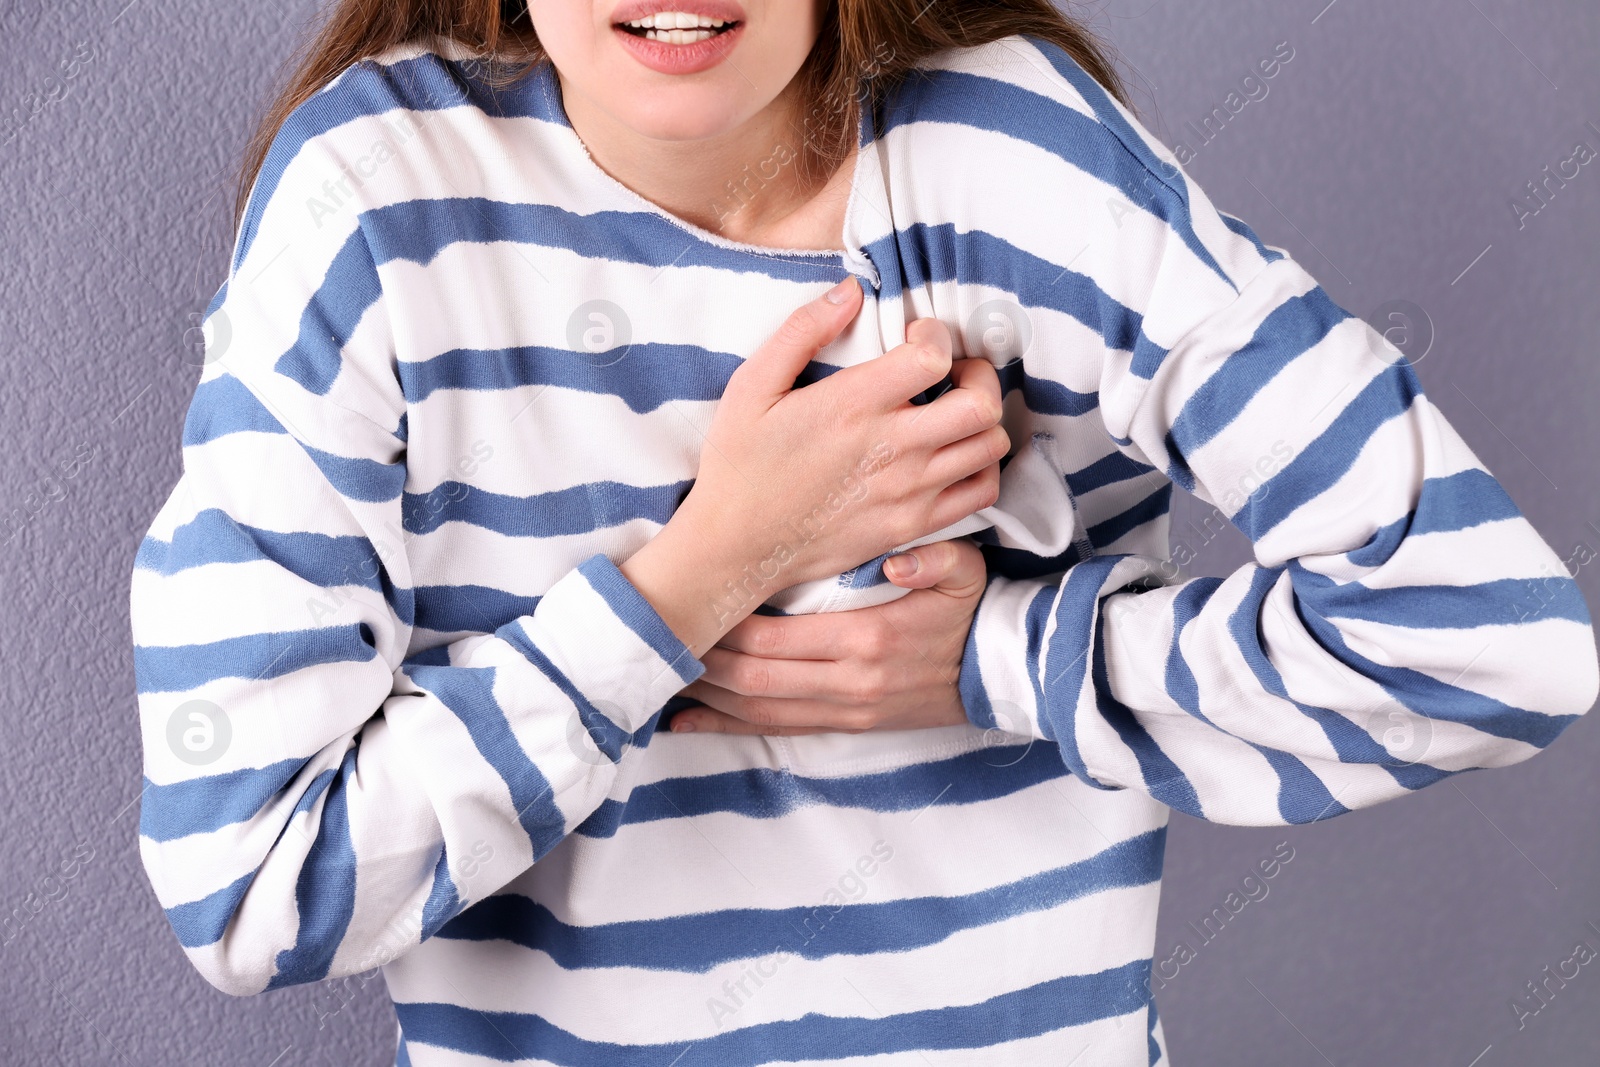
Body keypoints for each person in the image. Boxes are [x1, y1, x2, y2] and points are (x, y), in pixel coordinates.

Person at [128, 1, 1599, 1064]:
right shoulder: (374, 206)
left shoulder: (1015, 165)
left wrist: (1000, 656)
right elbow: (252, 887)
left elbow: (1489, 639)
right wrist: (714, 567)